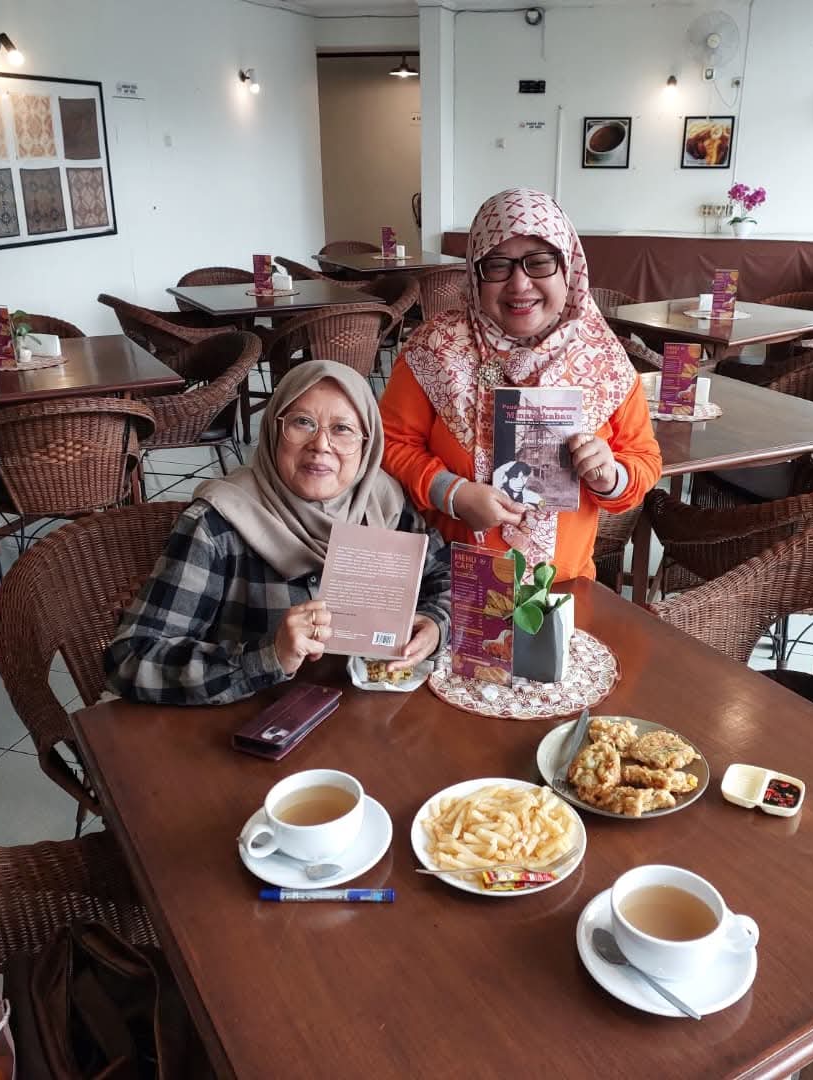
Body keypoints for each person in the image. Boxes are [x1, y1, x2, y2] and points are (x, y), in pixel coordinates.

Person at [106, 360, 451, 705]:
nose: (321, 444)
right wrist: (269, 656)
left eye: (342, 429)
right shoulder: (217, 525)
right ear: (274, 429)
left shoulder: (383, 504)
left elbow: (445, 575)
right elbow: (130, 659)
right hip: (249, 721)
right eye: (303, 422)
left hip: (363, 714)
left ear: (367, 443)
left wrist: (436, 624)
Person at [379, 187, 661, 579]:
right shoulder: (434, 349)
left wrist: (611, 476)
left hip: (562, 588)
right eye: (497, 265)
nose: (519, 284)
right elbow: (388, 444)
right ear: (475, 273)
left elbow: (644, 457)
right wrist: (452, 493)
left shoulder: (602, 358)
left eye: (539, 262)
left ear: (568, 267)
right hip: (450, 588)